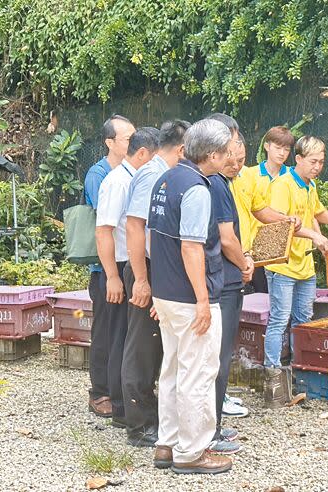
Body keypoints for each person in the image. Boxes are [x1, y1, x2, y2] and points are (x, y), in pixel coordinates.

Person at [148, 119, 232, 474]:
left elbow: (154, 239)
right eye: (226, 151)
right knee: (197, 372)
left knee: (171, 370)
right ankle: (193, 451)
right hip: (189, 296)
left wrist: (157, 290)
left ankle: (166, 444)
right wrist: (202, 300)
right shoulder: (199, 188)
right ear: (212, 155)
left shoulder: (165, 179)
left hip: (165, 293)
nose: (229, 157)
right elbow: (192, 247)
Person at [264, 136, 328, 407]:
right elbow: (283, 224)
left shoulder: (309, 185)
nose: (318, 167)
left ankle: (300, 373)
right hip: (282, 264)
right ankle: (273, 381)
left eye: (321, 162)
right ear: (299, 159)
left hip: (304, 265)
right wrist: (314, 237)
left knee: (303, 320)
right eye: (313, 161)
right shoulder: (282, 185)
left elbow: (318, 211)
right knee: (279, 319)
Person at [122, 120, 189, 447]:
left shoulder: (161, 173)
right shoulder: (152, 175)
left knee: (154, 347)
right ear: (182, 148)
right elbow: (135, 228)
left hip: (153, 269)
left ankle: (152, 420)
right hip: (143, 269)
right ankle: (140, 426)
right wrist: (142, 279)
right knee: (142, 350)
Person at [95, 127, 160, 428]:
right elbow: (104, 230)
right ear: (144, 154)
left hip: (131, 264)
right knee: (122, 339)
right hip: (122, 266)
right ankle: (121, 407)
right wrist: (112, 276)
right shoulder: (118, 182)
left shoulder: (135, 179)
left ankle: (127, 403)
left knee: (128, 337)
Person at [206, 133, 253, 455]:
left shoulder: (212, 182)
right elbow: (226, 237)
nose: (236, 165)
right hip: (225, 282)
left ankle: (212, 425)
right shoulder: (217, 185)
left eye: (241, 159)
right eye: (231, 158)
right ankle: (210, 431)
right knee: (217, 360)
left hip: (220, 280)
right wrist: (244, 262)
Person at [85, 114, 135, 418]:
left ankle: (119, 389)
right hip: (104, 268)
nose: (132, 141)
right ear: (110, 143)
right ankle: (99, 392)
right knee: (104, 331)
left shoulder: (132, 172)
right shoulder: (99, 174)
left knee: (122, 331)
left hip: (124, 264)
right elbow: (105, 223)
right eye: (127, 138)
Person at [239, 126, 295, 292]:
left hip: (285, 248)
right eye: (278, 148)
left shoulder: (293, 176)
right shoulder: (249, 174)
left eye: (286, 149)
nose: (282, 153)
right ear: (266, 146)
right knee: (259, 296)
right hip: (254, 249)